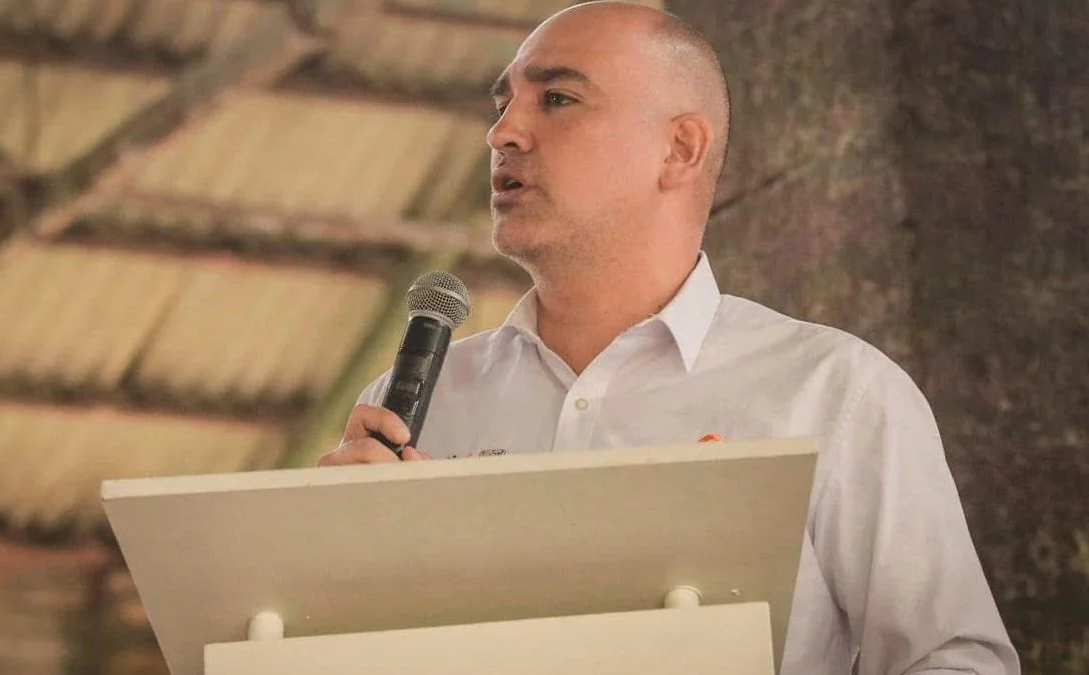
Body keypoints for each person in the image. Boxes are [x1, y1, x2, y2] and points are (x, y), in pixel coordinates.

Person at [318, 2, 1020, 673]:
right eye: (502, 104)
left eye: (556, 99)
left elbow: (954, 660)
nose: (502, 132)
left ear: (680, 149)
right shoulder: (416, 407)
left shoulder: (833, 390)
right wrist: (321, 566)